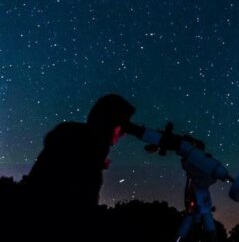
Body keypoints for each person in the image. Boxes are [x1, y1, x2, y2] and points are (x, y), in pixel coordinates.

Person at [20, 94, 146, 239]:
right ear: (109, 122)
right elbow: (74, 202)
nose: (123, 133)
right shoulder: (80, 144)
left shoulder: (79, 140)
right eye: (122, 126)